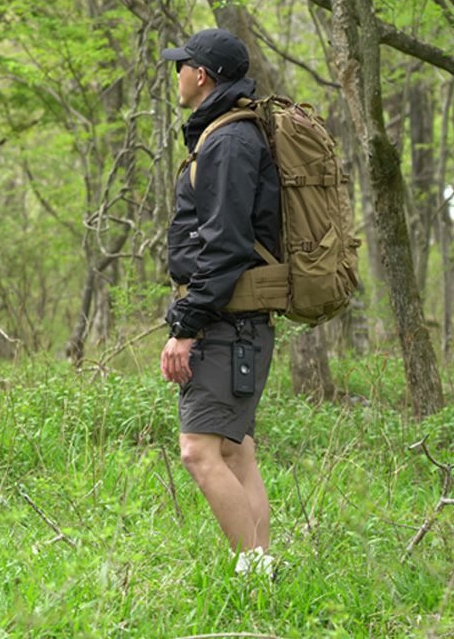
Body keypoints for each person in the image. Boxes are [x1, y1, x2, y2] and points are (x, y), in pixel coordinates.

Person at [160, 28, 280, 576]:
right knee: (234, 450)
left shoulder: (229, 141)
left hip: (228, 323)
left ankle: (254, 575)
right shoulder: (226, 134)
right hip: (238, 320)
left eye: (182, 65)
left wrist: (186, 326)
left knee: (199, 451)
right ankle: (267, 573)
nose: (177, 74)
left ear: (202, 75)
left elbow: (226, 245)